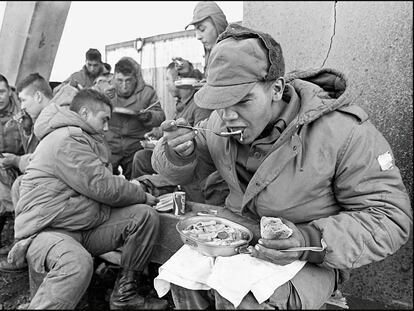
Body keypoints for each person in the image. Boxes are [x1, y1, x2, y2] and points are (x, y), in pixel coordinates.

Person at [151, 24, 413, 309]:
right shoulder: (218, 123)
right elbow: (176, 170)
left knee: (245, 301)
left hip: (311, 256)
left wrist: (309, 240)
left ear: (276, 89)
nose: (228, 116)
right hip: (240, 240)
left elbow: (390, 217)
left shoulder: (344, 132)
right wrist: (177, 152)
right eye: (220, 102)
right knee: (182, 282)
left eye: (242, 101)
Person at [7, 89, 168, 309]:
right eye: (104, 119)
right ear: (84, 112)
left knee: (143, 217)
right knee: (76, 262)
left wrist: (135, 193)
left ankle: (124, 295)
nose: (106, 127)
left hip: (79, 224)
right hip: (48, 231)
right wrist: (140, 193)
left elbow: (99, 182)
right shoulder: (68, 138)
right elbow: (103, 187)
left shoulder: (82, 137)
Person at [131, 61, 211, 203]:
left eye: (168, 79)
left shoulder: (199, 106)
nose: (166, 84)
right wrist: (159, 134)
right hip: (175, 161)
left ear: (180, 81)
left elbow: (203, 142)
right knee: (141, 157)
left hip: (192, 166)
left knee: (142, 167)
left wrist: (182, 148)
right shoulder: (181, 105)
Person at [105, 57, 165, 180]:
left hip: (135, 145)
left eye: (128, 81)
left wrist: (148, 116)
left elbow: (160, 116)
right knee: (105, 180)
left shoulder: (147, 92)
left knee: (136, 182)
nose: (124, 85)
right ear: (114, 78)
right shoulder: (106, 89)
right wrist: (102, 99)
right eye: (120, 81)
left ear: (135, 79)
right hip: (110, 145)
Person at [173, 1, 228, 79]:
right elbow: (209, 80)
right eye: (196, 30)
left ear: (218, 26)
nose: (198, 37)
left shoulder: (234, 55)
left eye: (202, 29)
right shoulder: (212, 53)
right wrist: (188, 70)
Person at [0, 74, 23, 255]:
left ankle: (14, 228)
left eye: (1, 92)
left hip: (20, 166)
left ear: (9, 91)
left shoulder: (23, 111)